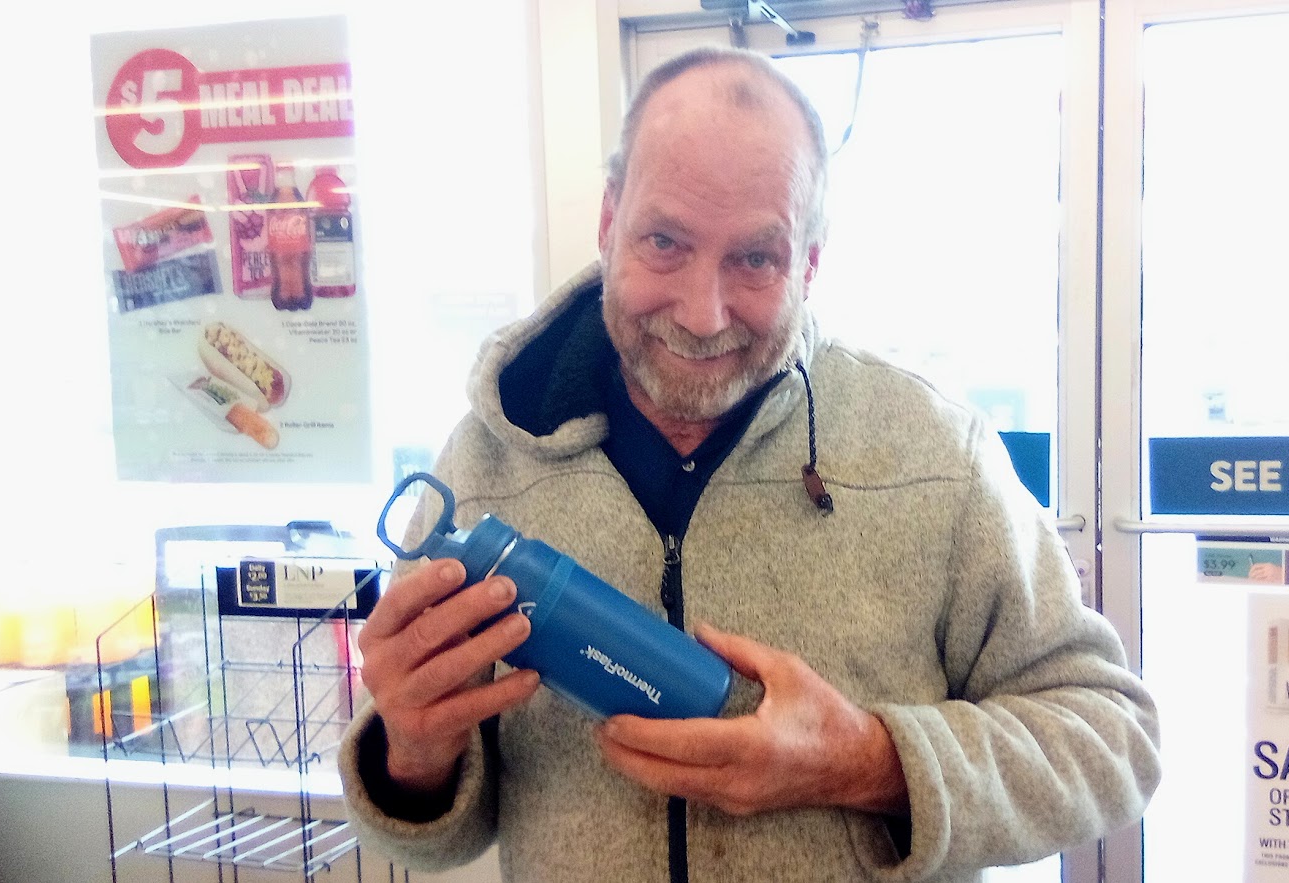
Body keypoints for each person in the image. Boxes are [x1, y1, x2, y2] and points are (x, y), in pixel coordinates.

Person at [339, 46, 1161, 883]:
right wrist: (412, 751)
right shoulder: (486, 458)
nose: (703, 314)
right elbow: (429, 836)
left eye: (756, 259)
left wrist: (868, 761)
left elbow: (1113, 740)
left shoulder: (934, 454)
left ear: (809, 261)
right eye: (664, 241)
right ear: (609, 222)